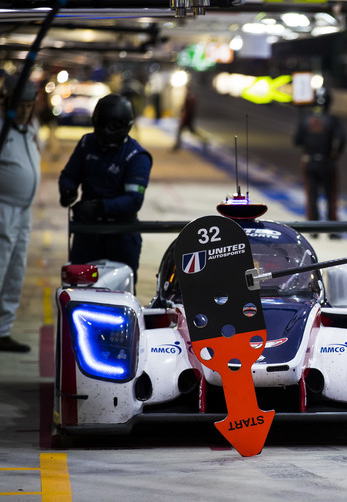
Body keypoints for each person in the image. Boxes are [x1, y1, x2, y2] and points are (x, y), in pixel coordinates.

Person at [58, 94, 152, 288]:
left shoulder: (136, 157)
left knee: (119, 292)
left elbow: (133, 200)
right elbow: (69, 174)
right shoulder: (87, 144)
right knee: (79, 291)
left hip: (122, 237)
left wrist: (99, 207)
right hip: (87, 235)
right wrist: (67, 190)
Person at [0, 74, 40, 352]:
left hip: (23, 212)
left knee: (15, 272)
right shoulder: (1, 130)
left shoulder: (30, 128)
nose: (24, 111)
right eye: (20, 105)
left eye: (29, 105)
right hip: (3, 209)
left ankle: (2, 330)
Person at [293, 87, 347, 226]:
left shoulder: (305, 119)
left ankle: (313, 226)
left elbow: (296, 140)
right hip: (327, 162)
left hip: (309, 161)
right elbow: (342, 139)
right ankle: (332, 227)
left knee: (311, 195)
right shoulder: (332, 120)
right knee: (331, 195)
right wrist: (335, 155)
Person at [173, 84, 208, 151]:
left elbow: (188, 109)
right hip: (188, 117)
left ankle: (205, 141)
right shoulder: (189, 96)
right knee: (184, 131)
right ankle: (177, 145)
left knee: (187, 131)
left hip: (188, 118)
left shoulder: (190, 97)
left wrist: (184, 116)